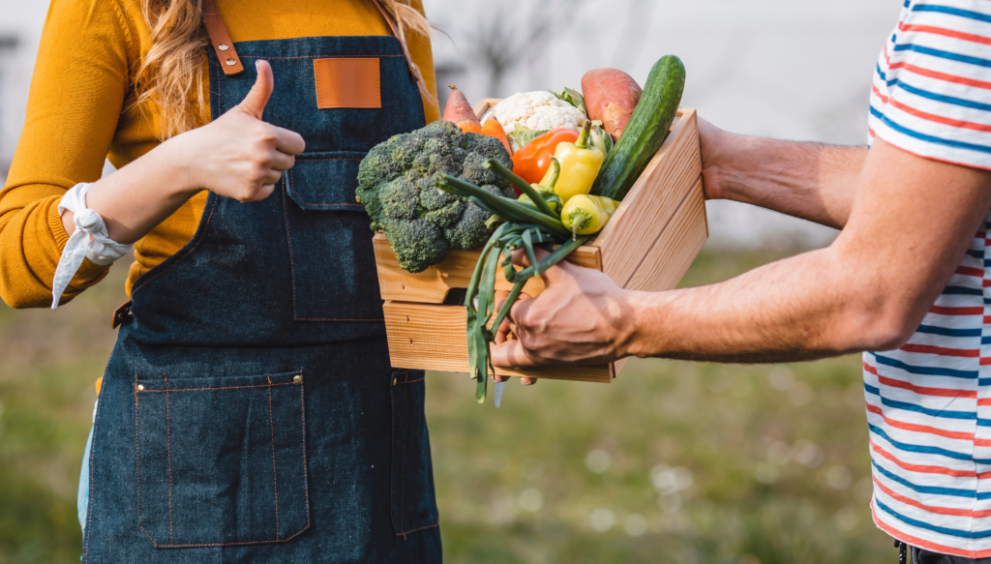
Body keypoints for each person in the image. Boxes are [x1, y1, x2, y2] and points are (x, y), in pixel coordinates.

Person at [493, 1, 991, 562]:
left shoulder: (965, 18)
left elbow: (871, 294)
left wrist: (621, 322)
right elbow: (925, 192)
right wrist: (720, 162)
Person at [0, 0, 443, 562]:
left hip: (373, 459)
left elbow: (420, 229)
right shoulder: (108, 8)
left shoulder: (392, 8)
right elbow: (17, 263)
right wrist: (181, 165)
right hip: (199, 478)